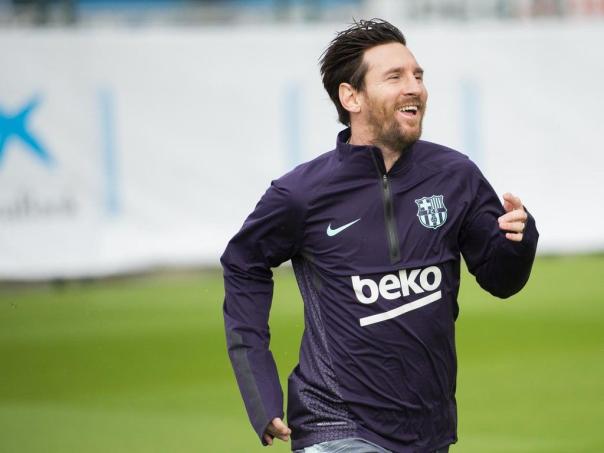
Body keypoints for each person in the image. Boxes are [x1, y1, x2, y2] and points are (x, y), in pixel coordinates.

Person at [221, 18, 538, 453]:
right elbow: (243, 264)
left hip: (429, 430)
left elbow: (502, 280)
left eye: (418, 76)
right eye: (395, 77)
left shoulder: (456, 175)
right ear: (351, 97)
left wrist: (520, 239)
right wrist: (260, 389)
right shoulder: (301, 193)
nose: (414, 88)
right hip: (335, 425)